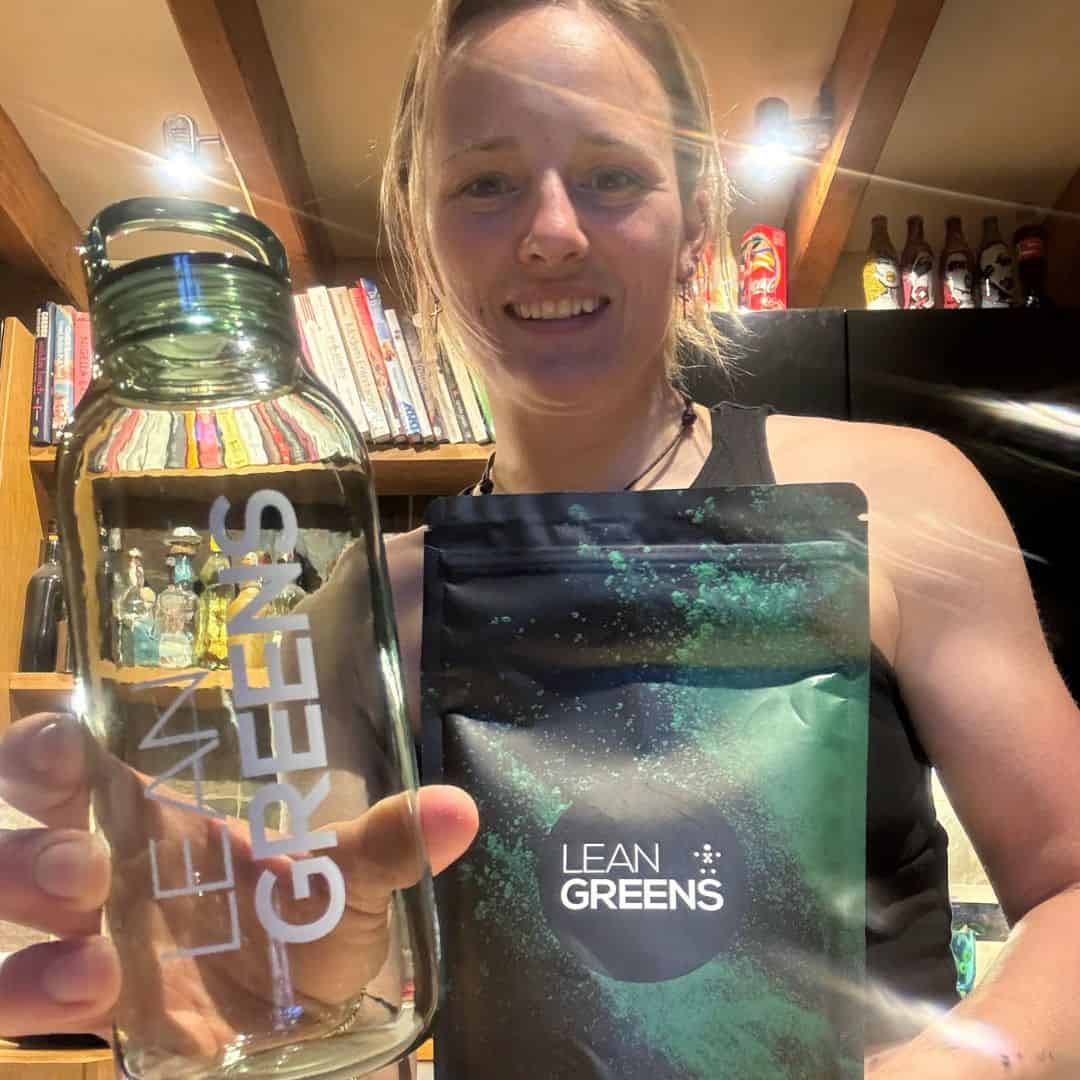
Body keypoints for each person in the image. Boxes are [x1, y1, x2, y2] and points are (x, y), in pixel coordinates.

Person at [1, 0, 1078, 1076]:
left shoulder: (906, 497)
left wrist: (966, 1061)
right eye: (486, 182)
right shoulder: (358, 618)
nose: (552, 230)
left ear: (696, 218)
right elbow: (354, 985)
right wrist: (288, 1005)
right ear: (417, 232)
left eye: (612, 175)